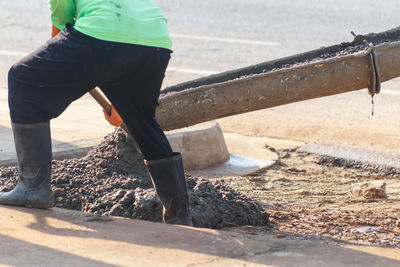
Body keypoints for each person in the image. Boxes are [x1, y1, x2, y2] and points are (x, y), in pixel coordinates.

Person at [0, 0, 192, 226]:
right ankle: (179, 215)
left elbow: (61, 32)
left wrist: (63, 76)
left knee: (23, 78)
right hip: (154, 43)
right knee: (143, 121)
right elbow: (125, 43)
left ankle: (33, 188)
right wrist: (121, 103)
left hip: (101, 37)